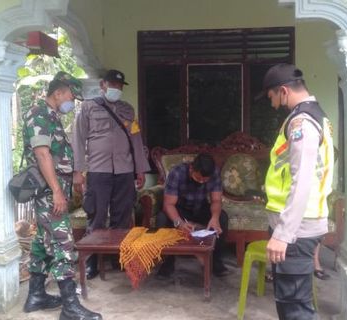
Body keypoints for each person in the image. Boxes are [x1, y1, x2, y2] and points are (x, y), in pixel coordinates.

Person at [22, 71, 102, 320]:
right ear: (58, 93)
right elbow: (42, 155)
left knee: (41, 245)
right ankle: (70, 306)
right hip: (49, 193)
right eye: (71, 96)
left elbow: (56, 155)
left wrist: (73, 176)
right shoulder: (39, 114)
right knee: (64, 244)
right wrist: (57, 191)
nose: (73, 101)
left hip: (55, 189)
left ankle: (36, 295)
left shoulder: (51, 115)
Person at [262, 63, 334, 319]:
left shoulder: (301, 123)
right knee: (292, 303)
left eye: (271, 96)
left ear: (283, 91)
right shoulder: (316, 115)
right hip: (298, 227)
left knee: (295, 309)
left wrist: (283, 234)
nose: (273, 103)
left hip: (296, 231)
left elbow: (302, 180)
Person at [72, 69, 150, 279]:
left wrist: (139, 169)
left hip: (124, 170)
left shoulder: (127, 110)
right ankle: (92, 262)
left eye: (119, 86)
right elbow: (78, 140)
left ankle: (118, 258)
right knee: (96, 216)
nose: (116, 88)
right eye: (113, 84)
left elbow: (136, 139)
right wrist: (78, 171)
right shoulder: (88, 107)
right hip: (98, 170)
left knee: (122, 216)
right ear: (103, 85)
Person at [156, 153, 230, 277]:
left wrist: (214, 218)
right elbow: (168, 204)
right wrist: (179, 223)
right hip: (179, 208)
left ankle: (215, 262)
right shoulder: (177, 173)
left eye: (204, 180)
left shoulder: (214, 173)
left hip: (200, 206)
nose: (201, 182)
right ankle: (167, 264)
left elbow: (216, 200)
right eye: (198, 178)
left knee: (222, 217)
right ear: (191, 169)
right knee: (162, 219)